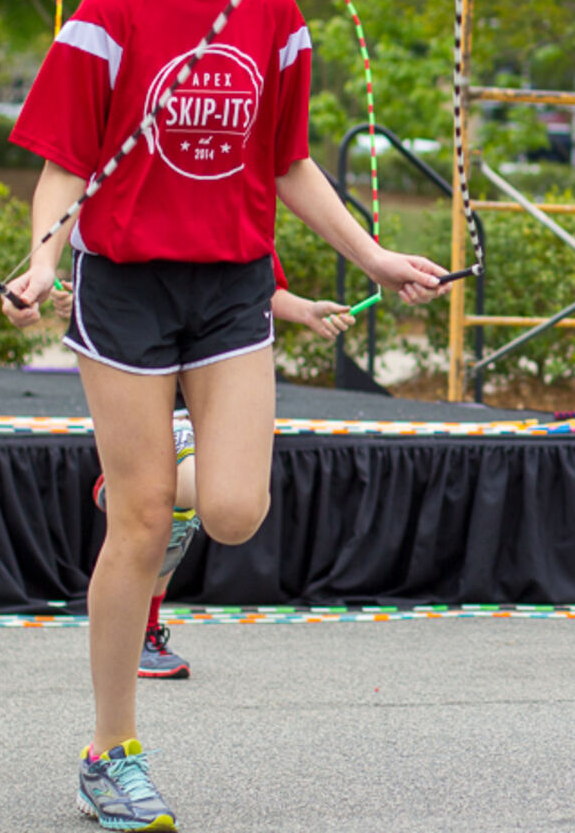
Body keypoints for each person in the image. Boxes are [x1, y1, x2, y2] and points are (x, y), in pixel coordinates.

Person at [0, 0, 447, 831]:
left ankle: (141, 484)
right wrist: (41, 263)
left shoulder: (276, 13)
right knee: (143, 524)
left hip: (234, 287)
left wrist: (376, 256)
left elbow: (288, 163)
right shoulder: (109, 10)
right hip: (127, 288)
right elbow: (63, 162)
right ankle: (111, 754)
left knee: (237, 510)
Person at [54, 259, 359, 680]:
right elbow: (87, 260)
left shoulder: (235, 227)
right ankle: (139, 634)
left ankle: (144, 622)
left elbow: (256, 286)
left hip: (216, 378)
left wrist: (306, 310)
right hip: (143, 373)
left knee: (204, 512)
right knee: (168, 509)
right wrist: (68, 291)